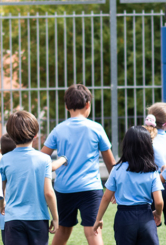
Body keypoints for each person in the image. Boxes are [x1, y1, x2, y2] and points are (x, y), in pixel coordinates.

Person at [41, 84, 116, 245]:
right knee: (93, 232)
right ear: (88, 104)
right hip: (90, 189)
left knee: (62, 231)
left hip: (64, 188)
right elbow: (110, 162)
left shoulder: (58, 129)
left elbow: (41, 158)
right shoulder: (96, 128)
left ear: (66, 106)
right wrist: (115, 187)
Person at [93, 126, 164, 245]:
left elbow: (106, 197)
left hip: (124, 217)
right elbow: (159, 202)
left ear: (126, 145)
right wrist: (158, 214)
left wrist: (99, 218)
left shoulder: (117, 169)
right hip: (146, 216)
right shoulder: (152, 171)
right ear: (148, 146)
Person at [0, 111, 61, 245]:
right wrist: (55, 217)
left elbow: (0, 189)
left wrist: (2, 205)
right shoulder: (44, 159)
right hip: (38, 219)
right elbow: (49, 192)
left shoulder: (5, 160)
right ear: (35, 134)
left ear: (10, 135)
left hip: (13, 219)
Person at [0, 134, 16, 245]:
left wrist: (1, 205)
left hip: (6, 217)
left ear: (0, 150)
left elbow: (0, 189)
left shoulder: (0, 166)